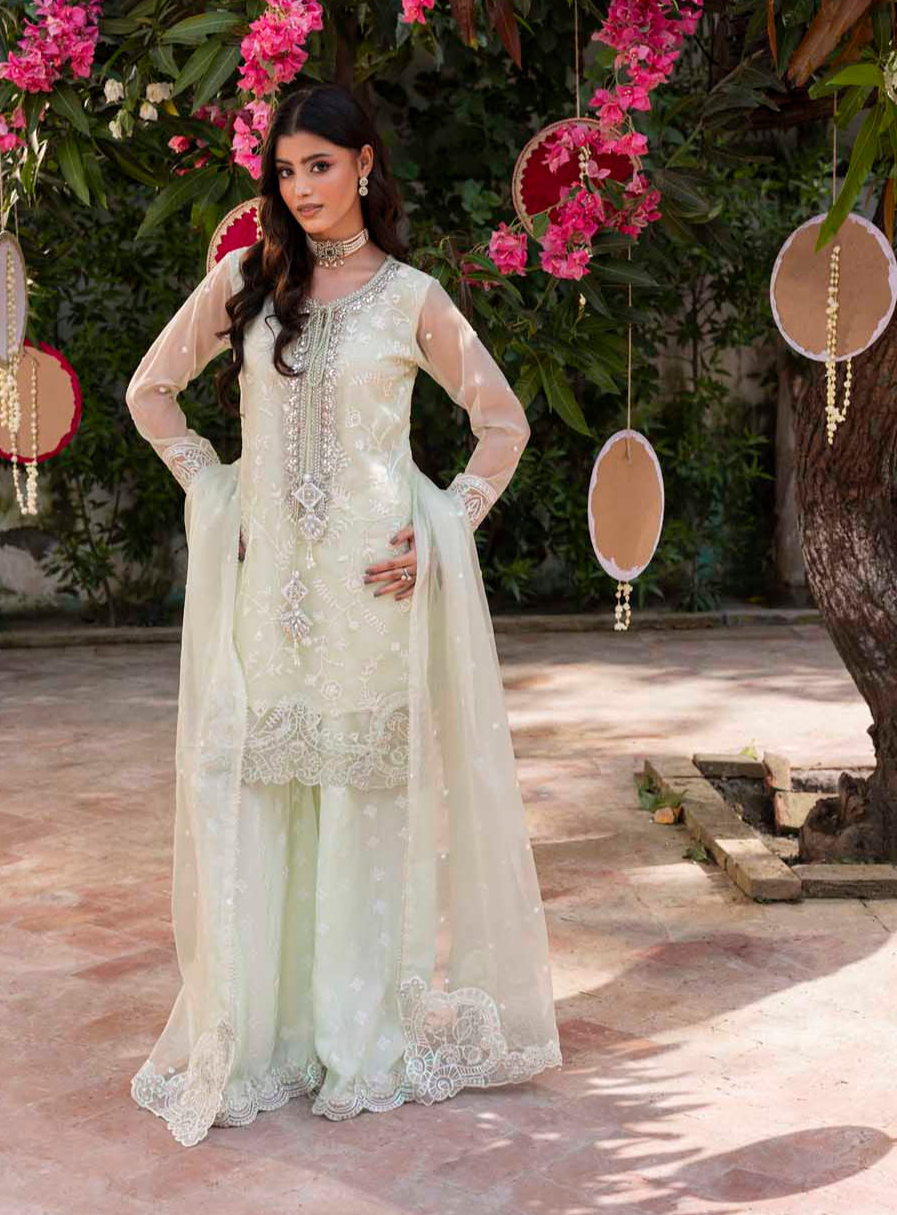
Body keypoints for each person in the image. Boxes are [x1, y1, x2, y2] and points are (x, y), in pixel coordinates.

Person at [125, 83, 561, 1148]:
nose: (301, 187)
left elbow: (499, 423)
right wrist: (214, 490)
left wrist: (447, 524)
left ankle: (359, 1033)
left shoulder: (413, 297)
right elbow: (150, 392)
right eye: (285, 169)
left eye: (320, 165)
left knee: (364, 806)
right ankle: (271, 1032)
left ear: (366, 165)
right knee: (267, 795)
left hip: (375, 595)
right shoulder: (244, 281)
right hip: (268, 598)